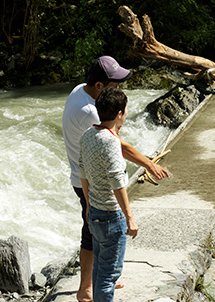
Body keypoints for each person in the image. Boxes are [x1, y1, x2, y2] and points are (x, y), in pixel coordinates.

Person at [62, 56, 169, 301]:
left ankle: (100, 280)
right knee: (92, 235)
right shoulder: (90, 113)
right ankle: (87, 288)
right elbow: (117, 147)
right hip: (90, 182)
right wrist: (149, 164)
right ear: (99, 86)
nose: (119, 88)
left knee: (94, 232)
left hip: (84, 174)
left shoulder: (80, 90)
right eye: (115, 84)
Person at [79, 87, 137, 302]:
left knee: (99, 271)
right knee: (108, 276)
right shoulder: (111, 142)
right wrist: (130, 218)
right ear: (119, 114)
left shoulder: (88, 135)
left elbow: (82, 173)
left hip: (94, 212)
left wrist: (87, 205)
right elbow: (117, 183)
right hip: (112, 217)